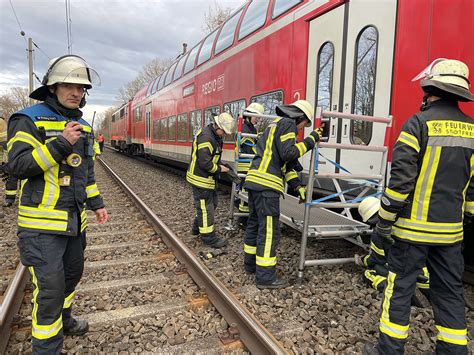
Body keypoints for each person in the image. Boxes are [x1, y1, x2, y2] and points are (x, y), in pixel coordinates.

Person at [364, 58, 473, 354]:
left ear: (429, 90)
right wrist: (465, 219)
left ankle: (388, 350)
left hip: (411, 233)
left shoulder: (417, 125)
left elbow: (400, 185)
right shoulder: (472, 131)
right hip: (450, 236)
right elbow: (472, 189)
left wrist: (384, 223)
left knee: (399, 290)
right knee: (450, 293)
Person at [7, 55, 109, 354]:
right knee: (49, 290)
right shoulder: (27, 119)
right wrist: (60, 144)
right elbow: (18, 166)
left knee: (70, 276)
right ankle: (47, 348)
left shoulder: (83, 127)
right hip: (42, 227)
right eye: (69, 85)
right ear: (52, 86)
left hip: (75, 222)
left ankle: (64, 320)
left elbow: (85, 174)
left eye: (81, 87)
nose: (76, 92)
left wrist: (97, 203)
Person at [243, 100, 322, 289]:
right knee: (269, 231)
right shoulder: (288, 124)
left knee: (254, 224)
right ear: (299, 117)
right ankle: (265, 277)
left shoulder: (273, 125)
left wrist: (296, 187)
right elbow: (288, 154)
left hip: (255, 182)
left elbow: (284, 164)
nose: (302, 129)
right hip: (267, 185)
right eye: (304, 125)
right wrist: (311, 140)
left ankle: (250, 265)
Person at [356, 197, 430, 303]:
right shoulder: (403, 221)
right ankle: (424, 287)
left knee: (369, 273)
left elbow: (377, 260)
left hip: (398, 269)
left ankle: (399, 290)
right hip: (420, 267)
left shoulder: (379, 233)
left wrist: (363, 260)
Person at [187, 112, 235, 248]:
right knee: (206, 208)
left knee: (211, 204)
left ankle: (196, 228)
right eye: (223, 132)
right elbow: (205, 163)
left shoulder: (213, 135)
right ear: (217, 126)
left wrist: (223, 165)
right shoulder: (206, 138)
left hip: (206, 179)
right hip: (200, 179)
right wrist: (220, 169)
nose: (224, 135)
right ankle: (209, 238)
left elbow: (212, 157)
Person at [235, 102, 264, 227]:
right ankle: (242, 221)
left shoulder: (250, 128)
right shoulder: (246, 129)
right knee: (245, 193)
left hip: (249, 165)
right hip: (245, 165)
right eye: (256, 117)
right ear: (249, 115)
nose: (257, 120)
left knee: (246, 192)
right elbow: (249, 147)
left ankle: (244, 218)